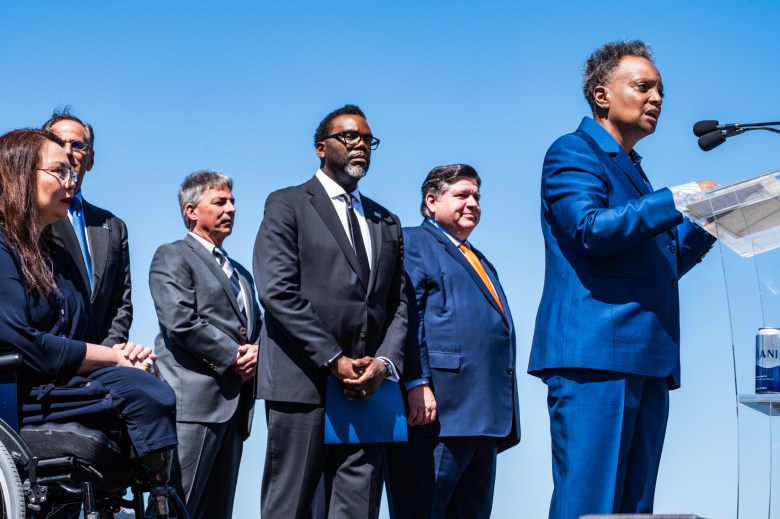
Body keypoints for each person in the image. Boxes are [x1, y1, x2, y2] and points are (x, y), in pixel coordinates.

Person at [528, 40, 718, 519]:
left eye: (661, 91)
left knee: (634, 511)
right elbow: (590, 230)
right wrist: (676, 199)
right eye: (643, 86)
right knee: (588, 504)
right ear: (601, 95)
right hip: (597, 357)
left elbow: (658, 265)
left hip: (648, 359)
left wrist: (710, 224)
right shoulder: (573, 151)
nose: (657, 98)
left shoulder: (634, 172)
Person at [254, 104, 407, 519]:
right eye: (350, 136)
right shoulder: (287, 204)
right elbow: (277, 291)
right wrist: (333, 358)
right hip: (301, 383)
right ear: (321, 147)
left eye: (368, 140)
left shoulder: (387, 221)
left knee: (358, 509)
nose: (361, 145)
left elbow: (399, 303)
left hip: (367, 389)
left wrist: (383, 364)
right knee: (290, 508)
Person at [0, 128, 176, 478]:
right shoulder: (4, 247)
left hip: (63, 385)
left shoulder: (58, 255)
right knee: (139, 392)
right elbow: (18, 341)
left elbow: (87, 334)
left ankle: (157, 492)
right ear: (20, 173)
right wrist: (112, 358)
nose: (71, 181)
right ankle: (158, 493)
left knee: (147, 381)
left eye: (72, 171)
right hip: (19, 391)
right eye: (59, 171)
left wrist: (125, 357)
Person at [384, 164, 521, 518]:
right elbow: (406, 315)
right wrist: (416, 381)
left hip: (484, 421)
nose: (473, 203)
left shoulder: (480, 260)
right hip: (436, 416)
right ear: (431, 201)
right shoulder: (413, 242)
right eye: (462, 195)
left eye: (477, 196)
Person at [149, 170, 260, 518]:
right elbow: (180, 321)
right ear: (192, 211)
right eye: (220, 202)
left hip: (236, 410)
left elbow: (258, 327)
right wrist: (233, 356)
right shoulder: (172, 256)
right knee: (176, 509)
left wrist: (259, 352)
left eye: (233, 202)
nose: (231, 209)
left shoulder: (242, 274)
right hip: (193, 409)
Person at [43, 109, 132, 346]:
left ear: (90, 160)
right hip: (52, 354)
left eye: (77, 145)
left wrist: (107, 354)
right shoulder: (33, 217)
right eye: (58, 143)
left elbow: (120, 304)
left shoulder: (113, 226)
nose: (67, 151)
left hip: (104, 358)